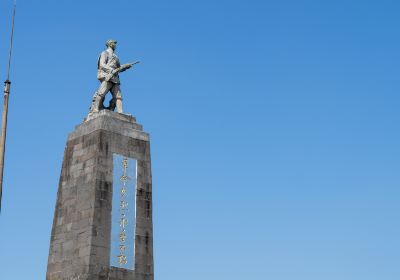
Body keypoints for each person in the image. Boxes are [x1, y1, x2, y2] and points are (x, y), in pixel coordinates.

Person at [89, 39, 134, 115]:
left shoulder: (116, 56)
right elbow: (102, 64)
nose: (115, 45)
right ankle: (95, 110)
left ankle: (120, 112)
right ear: (110, 44)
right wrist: (111, 70)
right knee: (101, 93)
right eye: (114, 43)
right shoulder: (105, 53)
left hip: (115, 78)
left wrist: (125, 67)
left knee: (118, 96)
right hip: (108, 76)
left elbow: (118, 68)